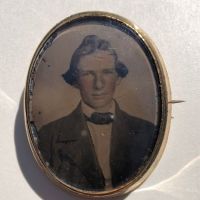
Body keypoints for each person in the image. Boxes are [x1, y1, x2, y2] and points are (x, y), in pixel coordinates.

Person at [38, 35, 156, 191]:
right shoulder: (49, 137)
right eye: (88, 74)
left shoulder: (146, 131)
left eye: (107, 72)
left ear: (118, 77)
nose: (99, 84)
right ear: (75, 80)